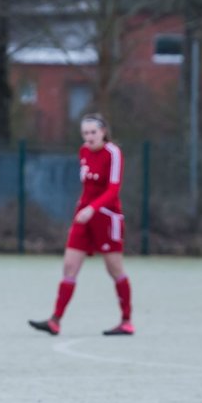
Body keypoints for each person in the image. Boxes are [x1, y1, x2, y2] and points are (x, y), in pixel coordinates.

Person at [29, 113, 134, 336]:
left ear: (103, 132)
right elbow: (88, 187)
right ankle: (55, 320)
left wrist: (92, 209)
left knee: (114, 269)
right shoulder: (84, 151)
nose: (89, 137)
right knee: (69, 266)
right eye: (85, 133)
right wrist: (83, 209)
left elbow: (113, 189)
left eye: (93, 132)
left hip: (107, 216)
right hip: (83, 217)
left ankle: (126, 320)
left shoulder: (113, 153)